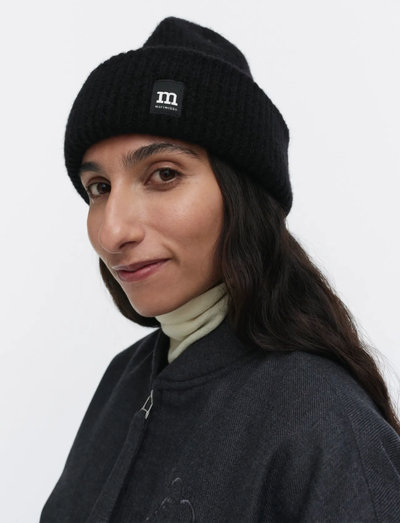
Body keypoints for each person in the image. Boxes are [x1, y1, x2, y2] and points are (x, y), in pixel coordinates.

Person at [40, 16, 400, 523]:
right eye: (99, 188)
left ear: (242, 197)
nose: (112, 231)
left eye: (164, 174)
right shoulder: (125, 378)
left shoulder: (321, 421)